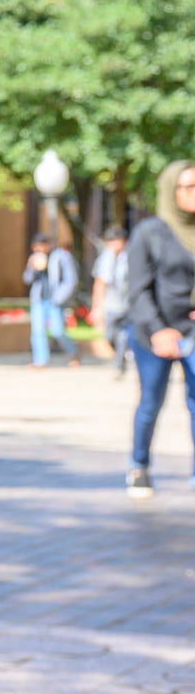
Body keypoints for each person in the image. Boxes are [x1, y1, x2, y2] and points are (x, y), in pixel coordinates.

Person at [122, 164, 195, 499]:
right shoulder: (151, 232)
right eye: (188, 186)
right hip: (154, 331)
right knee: (151, 402)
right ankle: (139, 466)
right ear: (171, 190)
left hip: (191, 330)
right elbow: (137, 289)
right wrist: (158, 330)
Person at [25, 231, 79, 368]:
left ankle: (73, 352)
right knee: (37, 331)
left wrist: (60, 297)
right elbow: (26, 280)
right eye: (36, 247)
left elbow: (70, 279)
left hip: (55, 300)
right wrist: (32, 268)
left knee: (58, 330)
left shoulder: (61, 256)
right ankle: (40, 361)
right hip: (39, 299)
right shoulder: (34, 259)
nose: (39, 250)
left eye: (41, 246)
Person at [92, 223, 132, 378]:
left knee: (123, 336)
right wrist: (96, 307)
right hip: (111, 304)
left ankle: (119, 365)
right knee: (109, 335)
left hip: (128, 303)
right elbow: (99, 283)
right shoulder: (105, 258)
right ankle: (120, 357)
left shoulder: (131, 257)